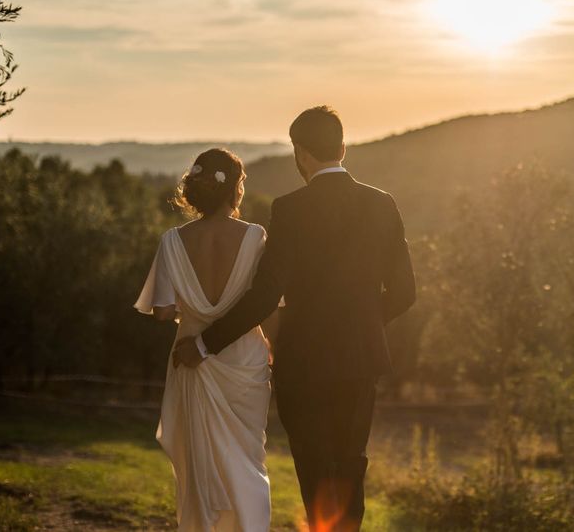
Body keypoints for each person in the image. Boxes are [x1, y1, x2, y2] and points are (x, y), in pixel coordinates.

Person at [174, 106, 416, 531]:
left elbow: (265, 294)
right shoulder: (383, 204)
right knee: (350, 464)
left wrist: (206, 342)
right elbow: (405, 293)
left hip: (303, 361)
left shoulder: (289, 209)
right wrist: (359, 323)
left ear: (300, 153)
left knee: (314, 466)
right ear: (343, 147)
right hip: (360, 360)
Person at [135, 148, 276, 531]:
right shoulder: (254, 236)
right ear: (235, 189)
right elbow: (264, 302)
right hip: (244, 358)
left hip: (189, 352)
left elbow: (162, 310)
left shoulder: (172, 241)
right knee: (248, 459)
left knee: (200, 460)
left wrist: (194, 311)